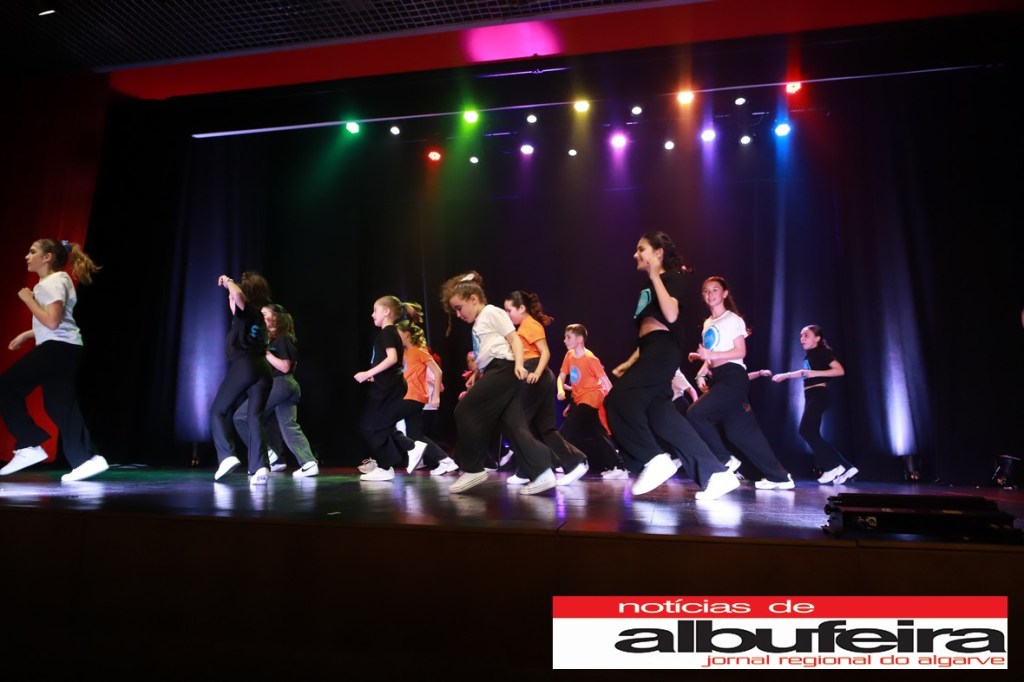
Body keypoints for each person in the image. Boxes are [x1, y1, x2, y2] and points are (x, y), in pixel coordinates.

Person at [603, 232, 740, 499]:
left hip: (663, 350)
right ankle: (716, 474)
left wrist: (656, 276)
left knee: (619, 399)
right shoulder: (650, 285)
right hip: (652, 349)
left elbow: (671, 315)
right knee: (662, 416)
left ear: (658, 253)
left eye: (641, 249)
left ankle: (653, 459)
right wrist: (631, 362)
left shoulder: (672, 278)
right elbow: (648, 330)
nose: (635, 254)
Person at [440, 271, 557, 495]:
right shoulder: (479, 322)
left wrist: (519, 365)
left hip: (504, 369)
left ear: (473, 299)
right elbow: (486, 353)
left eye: (459, 308)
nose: (458, 314)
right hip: (496, 369)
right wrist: (476, 374)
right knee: (512, 425)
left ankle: (473, 468)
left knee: (465, 410)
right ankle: (543, 471)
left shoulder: (492, 312)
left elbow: (514, 340)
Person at [0, 238, 108, 481]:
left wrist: (28, 299)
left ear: (47, 257)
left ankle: (29, 444)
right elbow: (57, 320)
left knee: (6, 386)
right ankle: (87, 459)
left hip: (57, 348)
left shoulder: (50, 283)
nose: (27, 257)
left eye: (32, 252)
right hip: (66, 347)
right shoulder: (59, 280)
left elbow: (52, 321)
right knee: (59, 405)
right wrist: (27, 335)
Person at [687, 275, 794, 490]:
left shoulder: (732, 319)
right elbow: (712, 356)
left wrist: (710, 355)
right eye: (706, 291)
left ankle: (725, 459)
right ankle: (781, 477)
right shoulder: (708, 323)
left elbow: (740, 352)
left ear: (725, 293)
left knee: (695, 413)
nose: (710, 294)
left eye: (715, 290)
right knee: (741, 433)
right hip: (719, 378)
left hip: (733, 378)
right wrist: (701, 370)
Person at [504, 290, 589, 487]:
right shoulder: (524, 326)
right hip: (537, 375)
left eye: (509, 310)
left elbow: (545, 352)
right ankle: (573, 463)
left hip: (535, 373)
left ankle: (531, 469)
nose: (508, 315)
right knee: (543, 427)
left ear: (521, 308)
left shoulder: (530, 325)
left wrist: (536, 372)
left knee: (520, 424)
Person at [232, 303, 319, 478]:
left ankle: (267, 453)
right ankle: (307, 463)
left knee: (241, 416)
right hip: (282, 388)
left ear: (276, 318)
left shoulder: (283, 339)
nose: (261, 317)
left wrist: (265, 352)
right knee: (288, 425)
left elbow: (285, 367)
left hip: (282, 383)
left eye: (265, 314)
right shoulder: (268, 340)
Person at [354, 295, 428, 482]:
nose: (372, 315)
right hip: (388, 383)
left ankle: (403, 454)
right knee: (380, 426)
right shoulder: (391, 333)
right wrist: (376, 374)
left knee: (370, 426)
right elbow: (395, 361)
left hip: (388, 387)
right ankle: (390, 464)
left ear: (386, 311)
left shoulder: (387, 332)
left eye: (375, 310)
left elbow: (393, 358)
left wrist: (368, 372)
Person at [772, 324, 857, 484]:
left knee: (805, 430)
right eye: (801, 335)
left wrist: (815, 373)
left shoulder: (822, 352)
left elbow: (839, 370)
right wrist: (785, 375)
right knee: (812, 433)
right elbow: (804, 373)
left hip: (819, 394)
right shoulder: (810, 356)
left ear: (817, 338)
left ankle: (832, 466)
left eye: (806, 335)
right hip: (811, 395)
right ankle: (846, 467)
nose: (801, 339)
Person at [210, 272, 274, 484]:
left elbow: (237, 296)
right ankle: (261, 467)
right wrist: (231, 293)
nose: (230, 298)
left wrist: (228, 281)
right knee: (254, 417)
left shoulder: (247, 311)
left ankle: (226, 456)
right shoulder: (256, 318)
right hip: (263, 370)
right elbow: (236, 301)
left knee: (217, 411)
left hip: (245, 365)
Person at [555, 323, 625, 478]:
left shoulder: (590, 358)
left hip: (592, 396)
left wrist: (615, 402)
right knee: (597, 432)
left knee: (567, 429)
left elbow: (605, 381)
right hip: (578, 399)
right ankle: (618, 466)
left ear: (580, 339)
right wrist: (560, 390)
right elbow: (561, 377)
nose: (564, 340)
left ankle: (572, 462)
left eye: (568, 337)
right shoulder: (569, 356)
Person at [394, 302, 454, 476]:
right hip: (410, 396)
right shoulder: (405, 353)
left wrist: (436, 397)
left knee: (387, 421)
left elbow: (438, 371)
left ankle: (391, 460)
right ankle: (445, 461)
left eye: (398, 334)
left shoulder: (419, 351)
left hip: (415, 396)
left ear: (406, 334)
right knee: (415, 434)